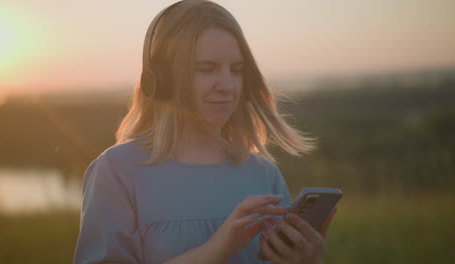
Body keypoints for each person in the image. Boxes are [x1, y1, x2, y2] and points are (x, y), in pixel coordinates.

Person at [73, 0, 337, 263]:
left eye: (236, 70)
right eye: (207, 69)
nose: (228, 85)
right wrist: (217, 248)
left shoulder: (265, 176)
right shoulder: (117, 172)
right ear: (162, 80)